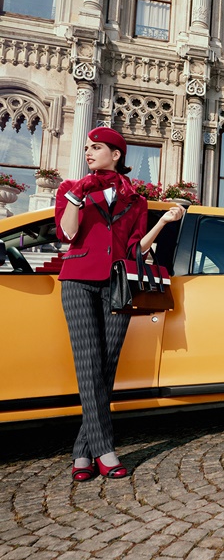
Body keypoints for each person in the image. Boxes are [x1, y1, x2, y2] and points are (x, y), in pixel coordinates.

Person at [56, 127, 185, 481]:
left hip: (118, 286)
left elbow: (135, 250)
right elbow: (66, 234)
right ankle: (104, 449)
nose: (88, 152)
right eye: (86, 147)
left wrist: (161, 222)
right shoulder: (71, 189)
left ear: (116, 154)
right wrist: (77, 197)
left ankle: (82, 451)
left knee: (106, 365)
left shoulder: (136, 201)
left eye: (96, 147)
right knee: (88, 363)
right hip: (79, 281)